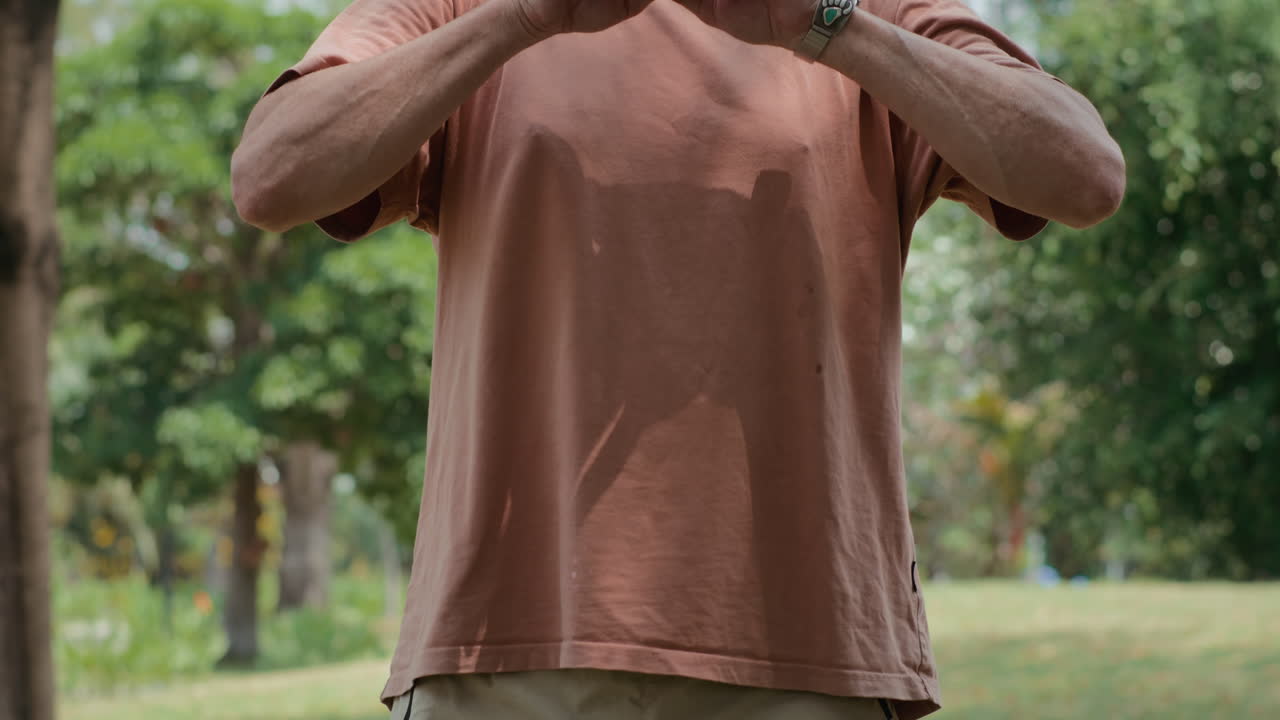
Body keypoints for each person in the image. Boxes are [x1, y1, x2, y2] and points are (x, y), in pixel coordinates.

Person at [231, 0, 1124, 716]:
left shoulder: (866, 8)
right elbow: (271, 174)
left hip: (812, 659)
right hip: (503, 657)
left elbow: (1086, 174)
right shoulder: (466, 6)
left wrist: (826, 25)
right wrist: (526, 17)